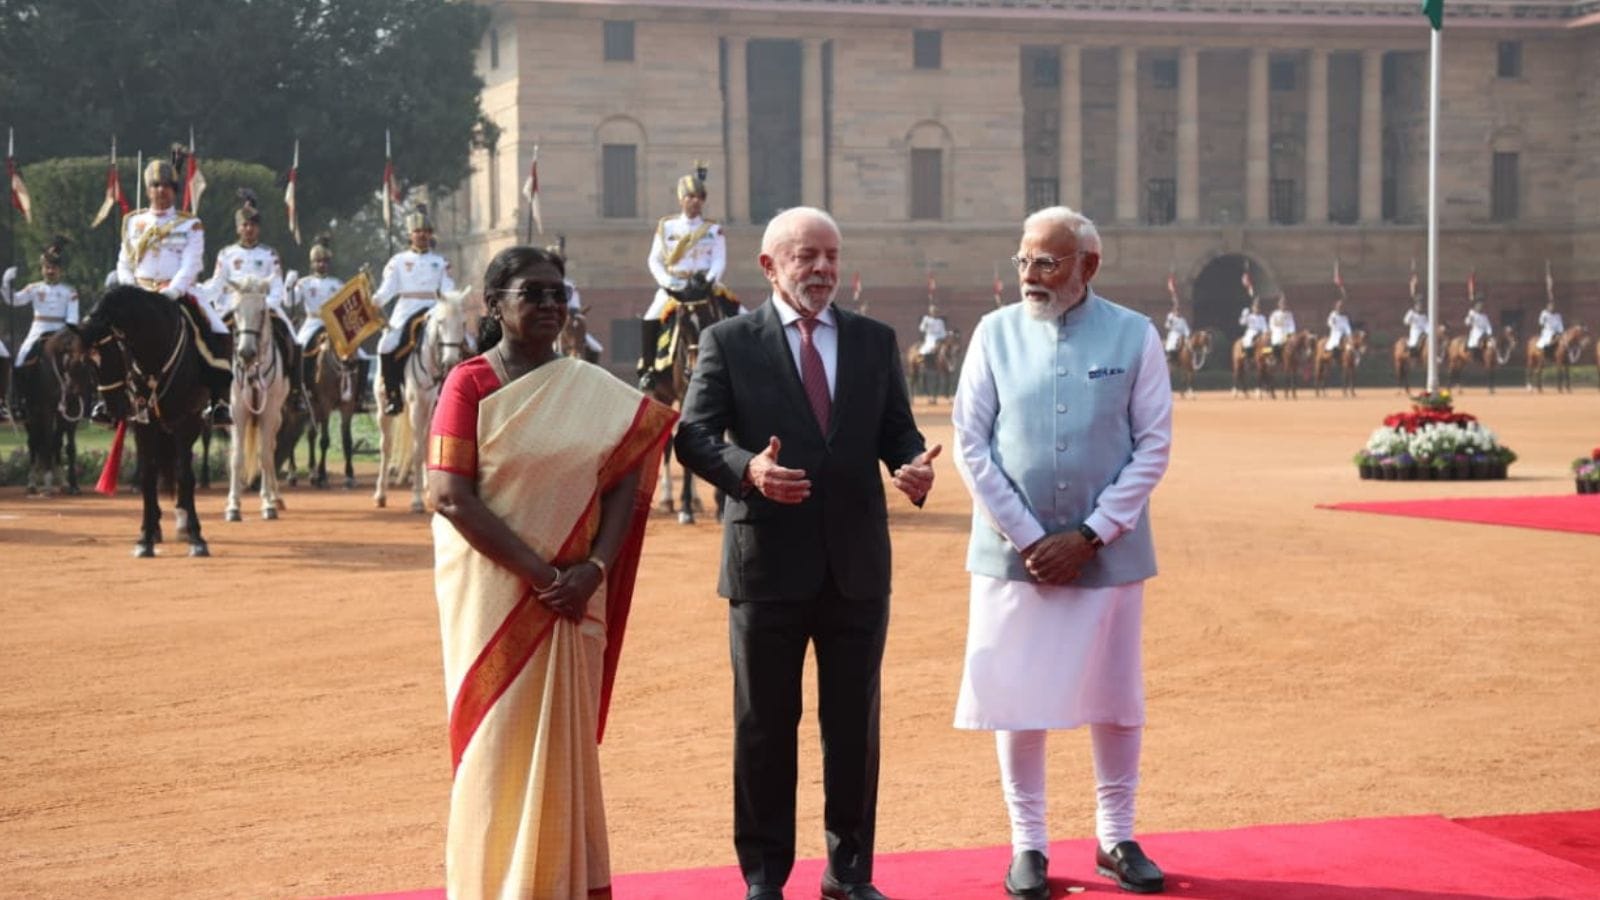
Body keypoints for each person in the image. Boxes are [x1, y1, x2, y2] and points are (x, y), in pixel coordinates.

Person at [673, 207, 940, 900]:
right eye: (805, 256)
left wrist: (912, 467)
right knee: (764, 726)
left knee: (853, 727)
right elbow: (694, 436)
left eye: (831, 255)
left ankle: (849, 873)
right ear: (769, 266)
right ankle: (765, 878)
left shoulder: (875, 342)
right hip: (765, 563)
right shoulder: (727, 341)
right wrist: (748, 470)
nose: (822, 269)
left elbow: (898, 434)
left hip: (856, 566)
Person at [427, 245, 676, 900]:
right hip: (497, 594)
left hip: (574, 597)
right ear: (494, 304)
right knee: (497, 740)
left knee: (564, 745)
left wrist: (594, 570)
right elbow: (449, 495)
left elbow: (626, 469)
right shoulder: (470, 384)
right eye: (531, 293)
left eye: (557, 294)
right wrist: (545, 576)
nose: (547, 305)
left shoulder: (587, 386)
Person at [951, 206, 1173, 899]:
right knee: (1020, 699)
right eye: (1022, 260)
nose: (1030, 275)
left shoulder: (1134, 336)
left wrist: (1089, 535)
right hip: (1014, 557)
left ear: (1089, 266)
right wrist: (1030, 538)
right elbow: (970, 444)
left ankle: (1116, 835)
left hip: (1106, 554)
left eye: (1046, 262)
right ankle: (1030, 845)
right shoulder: (994, 334)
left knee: (1114, 698)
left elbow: (1153, 447)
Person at [114, 151, 233, 423]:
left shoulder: (190, 224)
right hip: (139, 293)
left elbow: (191, 265)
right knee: (105, 334)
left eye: (166, 186)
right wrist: (131, 292)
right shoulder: (134, 222)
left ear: (174, 190)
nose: (160, 191)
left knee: (218, 330)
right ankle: (107, 400)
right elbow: (124, 263)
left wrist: (170, 293)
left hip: (176, 293)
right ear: (147, 190)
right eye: (155, 185)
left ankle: (218, 400)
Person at [202, 189, 304, 410]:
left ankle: (296, 392)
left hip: (262, 306)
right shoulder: (226, 254)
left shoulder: (269, 254)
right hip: (233, 307)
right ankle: (214, 396)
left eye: (252, 225)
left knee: (294, 339)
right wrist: (197, 290)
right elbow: (217, 284)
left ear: (258, 228)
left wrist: (266, 305)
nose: (248, 229)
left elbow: (276, 285)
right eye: (244, 225)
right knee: (210, 340)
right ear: (238, 228)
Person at [640, 165, 727, 390]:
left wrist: (709, 279)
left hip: (705, 286)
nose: (695, 201)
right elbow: (655, 260)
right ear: (681, 199)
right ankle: (648, 370)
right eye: (690, 197)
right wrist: (669, 283)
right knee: (651, 316)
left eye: (699, 197)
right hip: (675, 287)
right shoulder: (666, 227)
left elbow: (719, 259)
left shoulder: (713, 230)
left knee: (741, 314)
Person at [374, 204, 455, 415]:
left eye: (426, 232)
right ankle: (393, 395)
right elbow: (388, 289)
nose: (422, 235)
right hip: (405, 309)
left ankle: (456, 393)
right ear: (410, 234)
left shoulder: (441, 262)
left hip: (434, 308)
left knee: (463, 343)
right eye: (417, 231)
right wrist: (375, 300)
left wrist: (451, 301)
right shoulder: (398, 261)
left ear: (431, 234)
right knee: (385, 345)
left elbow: (447, 288)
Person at [2, 238, 80, 422]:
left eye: (54, 268)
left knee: (79, 362)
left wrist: (68, 333)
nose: (50, 271)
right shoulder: (34, 288)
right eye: (47, 267)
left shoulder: (69, 291)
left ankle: (84, 401)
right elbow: (13, 300)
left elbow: (73, 318)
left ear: (60, 270)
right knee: (20, 359)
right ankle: (17, 402)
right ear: (42, 269)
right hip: (39, 328)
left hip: (62, 330)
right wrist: (6, 284)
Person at [1267, 294, 1296, 360]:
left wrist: (1291, 333)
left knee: (1292, 345)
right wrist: (1274, 330)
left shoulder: (1289, 314)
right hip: (1277, 333)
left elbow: (1292, 324)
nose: (1283, 305)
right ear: (1279, 305)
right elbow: (1271, 324)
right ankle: (1275, 357)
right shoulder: (1274, 314)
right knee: (1275, 343)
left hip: (1286, 333)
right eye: (1281, 304)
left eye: (1284, 304)